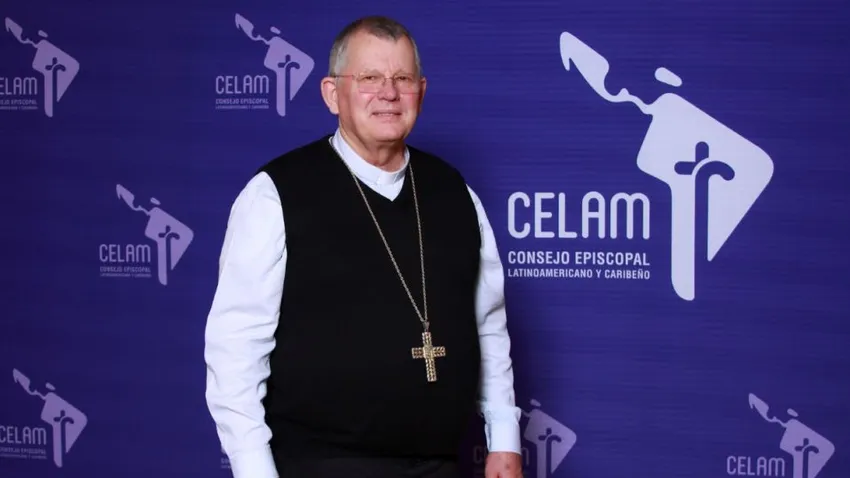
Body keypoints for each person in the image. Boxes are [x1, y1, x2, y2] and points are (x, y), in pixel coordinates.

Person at [204, 15, 523, 478]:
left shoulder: (455, 192)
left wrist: (504, 438)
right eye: (369, 78)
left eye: (403, 79)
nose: (388, 93)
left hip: (438, 465)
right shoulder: (275, 194)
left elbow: (488, 325)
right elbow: (235, 349)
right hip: (320, 466)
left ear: (421, 91)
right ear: (332, 93)